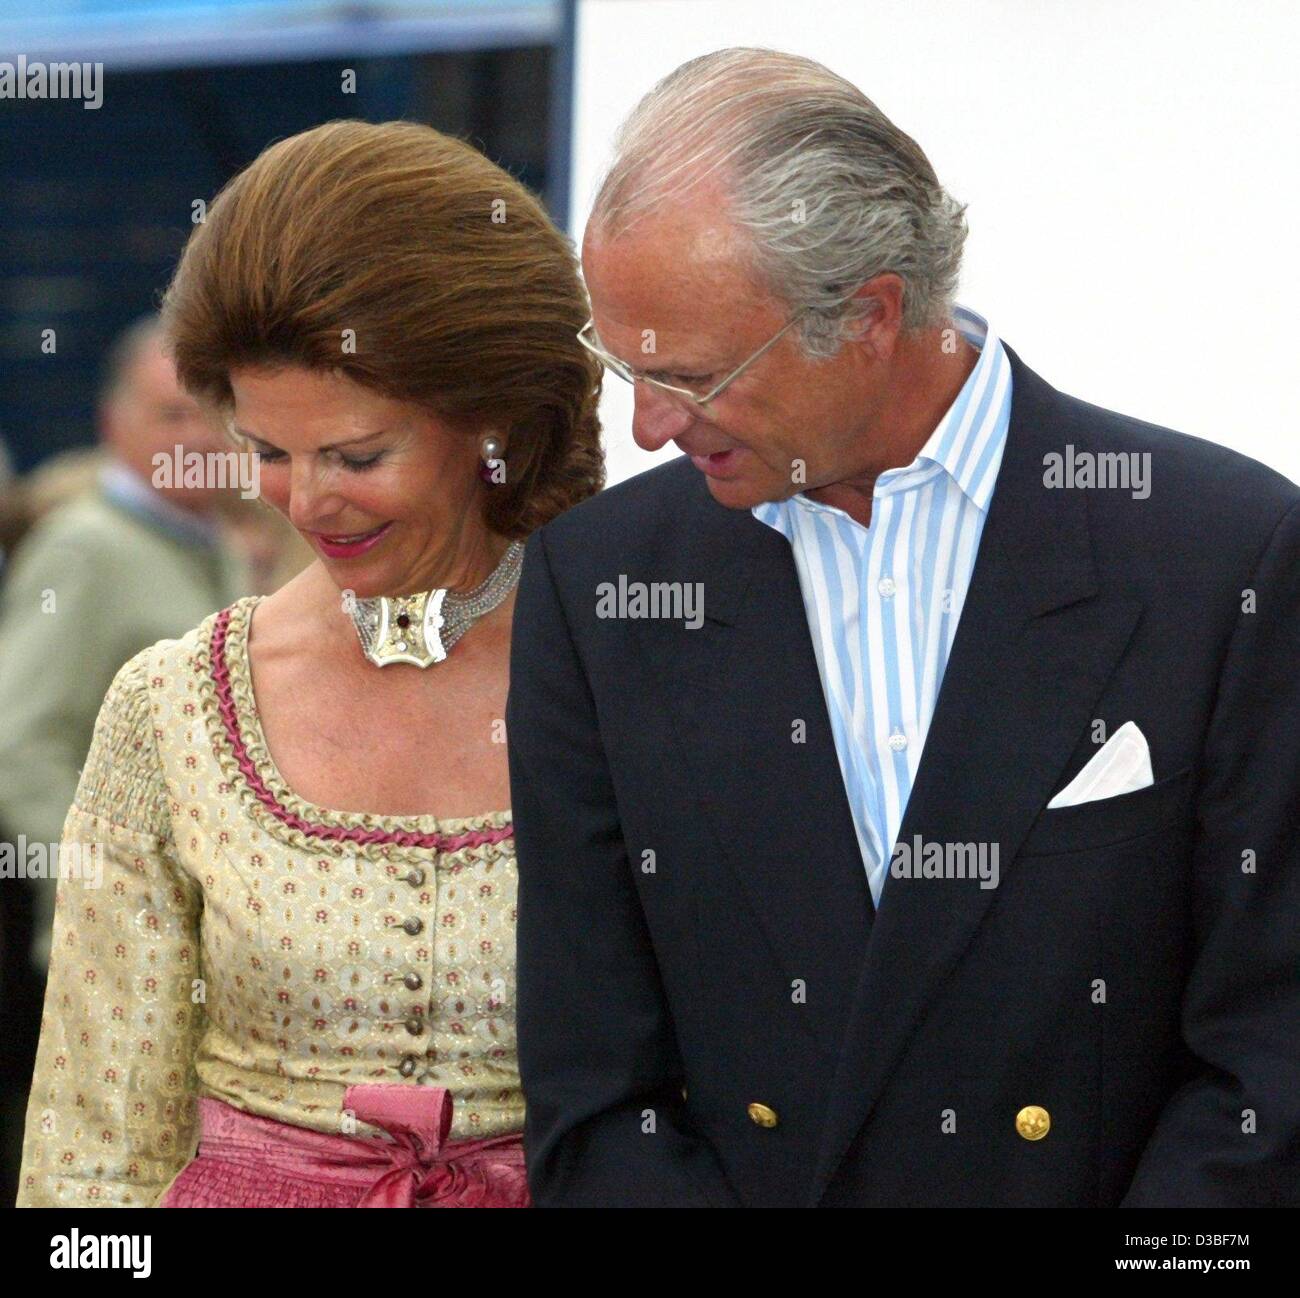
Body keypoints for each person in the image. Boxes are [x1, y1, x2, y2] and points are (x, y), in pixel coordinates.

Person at [507, 48, 1300, 1207]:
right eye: (618, 365)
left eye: (691, 373)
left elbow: (1270, 1065)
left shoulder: (1222, 550)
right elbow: (593, 1085)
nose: (644, 426)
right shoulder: (602, 581)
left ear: (871, 313)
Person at [16, 118, 602, 1207]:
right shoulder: (172, 706)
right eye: (268, 452)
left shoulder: (636, 677)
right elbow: (94, 1151)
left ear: (495, 423)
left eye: (356, 454)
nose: (306, 500)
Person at [0, 315, 253, 977]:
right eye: (172, 416)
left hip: (202, 950)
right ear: (114, 424)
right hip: (114, 962)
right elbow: (18, 743)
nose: (197, 438)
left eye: (214, 414)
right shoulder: (84, 547)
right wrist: (100, 890)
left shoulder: (209, 540)